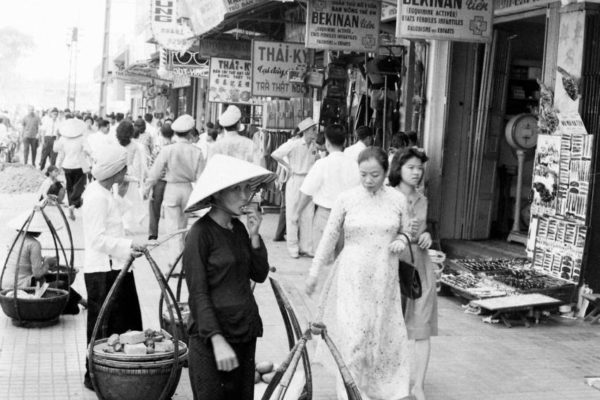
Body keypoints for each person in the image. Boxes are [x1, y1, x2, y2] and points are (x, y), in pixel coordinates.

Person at [305, 147, 410, 400]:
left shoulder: (397, 199)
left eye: (374, 174)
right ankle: (350, 392)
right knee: (354, 336)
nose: (368, 180)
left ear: (386, 172)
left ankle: (382, 389)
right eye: (363, 174)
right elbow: (329, 237)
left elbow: (406, 231)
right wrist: (314, 272)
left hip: (384, 276)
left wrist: (402, 240)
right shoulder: (347, 199)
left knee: (382, 336)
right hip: (352, 275)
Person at [182, 154, 274, 400]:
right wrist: (217, 340)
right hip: (211, 339)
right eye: (236, 189)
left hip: (244, 331)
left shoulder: (240, 228)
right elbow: (198, 293)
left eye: (247, 189)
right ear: (218, 192)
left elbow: (259, 274)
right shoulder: (199, 235)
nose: (245, 196)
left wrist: (255, 236)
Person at [81, 143, 147, 391]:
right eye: (124, 168)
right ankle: (96, 375)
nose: (127, 171)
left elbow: (117, 221)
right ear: (115, 170)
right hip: (102, 271)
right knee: (103, 325)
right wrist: (128, 245)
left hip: (117, 266)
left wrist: (122, 193)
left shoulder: (106, 192)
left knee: (124, 322)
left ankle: (121, 373)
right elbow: (97, 239)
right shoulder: (96, 196)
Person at [389, 147, 436, 400]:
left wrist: (426, 235)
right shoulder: (387, 197)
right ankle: (392, 379)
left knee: (422, 326)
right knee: (392, 325)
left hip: (420, 267)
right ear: (399, 168)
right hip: (394, 266)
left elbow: (423, 231)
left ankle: (418, 385)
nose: (417, 172)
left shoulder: (423, 199)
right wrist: (403, 231)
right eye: (411, 168)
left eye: (420, 168)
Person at [144, 114, 204, 269]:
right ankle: (182, 262)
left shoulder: (168, 150)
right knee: (183, 229)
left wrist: (147, 187)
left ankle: (175, 265)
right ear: (191, 132)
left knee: (172, 229)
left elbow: (155, 172)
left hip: (171, 189)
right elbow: (201, 178)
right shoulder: (197, 152)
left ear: (175, 133)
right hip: (188, 189)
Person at [294, 124, 360, 256]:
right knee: (342, 261)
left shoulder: (322, 164)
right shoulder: (355, 165)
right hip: (348, 217)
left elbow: (307, 192)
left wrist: (296, 213)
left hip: (325, 216)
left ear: (326, 142)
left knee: (323, 260)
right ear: (345, 142)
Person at [3, 210, 83, 314]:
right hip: (20, 284)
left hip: (6, 282)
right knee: (63, 286)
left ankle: (81, 301)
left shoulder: (14, 238)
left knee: (56, 279)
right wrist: (47, 263)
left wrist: (44, 260)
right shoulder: (34, 244)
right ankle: (82, 301)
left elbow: (24, 259)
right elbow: (37, 274)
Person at [270, 117, 319, 258]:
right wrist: (288, 167)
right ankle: (293, 247)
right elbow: (275, 154)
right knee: (292, 213)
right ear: (307, 131)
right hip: (295, 179)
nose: (316, 132)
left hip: (308, 180)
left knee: (308, 214)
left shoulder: (314, 146)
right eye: (314, 130)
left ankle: (306, 247)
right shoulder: (294, 144)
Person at [53, 119, 90, 221]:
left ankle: (71, 205)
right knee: (79, 186)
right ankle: (74, 204)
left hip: (67, 165)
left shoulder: (63, 139)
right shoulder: (82, 138)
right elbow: (89, 150)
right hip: (79, 166)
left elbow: (56, 150)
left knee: (70, 187)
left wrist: (58, 165)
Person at [116, 121, 147, 233]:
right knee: (129, 199)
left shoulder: (117, 144)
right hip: (130, 171)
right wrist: (140, 177)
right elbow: (140, 164)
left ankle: (121, 223)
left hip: (117, 170)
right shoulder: (135, 145)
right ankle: (126, 225)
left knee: (119, 197)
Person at [147, 123, 174, 240]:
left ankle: (153, 233)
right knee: (171, 210)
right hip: (173, 182)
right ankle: (173, 234)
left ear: (161, 133)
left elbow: (152, 166)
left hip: (159, 182)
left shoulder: (158, 147)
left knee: (154, 207)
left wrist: (148, 184)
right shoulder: (175, 147)